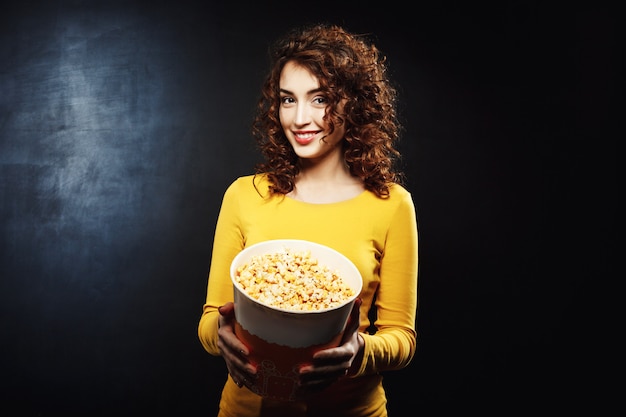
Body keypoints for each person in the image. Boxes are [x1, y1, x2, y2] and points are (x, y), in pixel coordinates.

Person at [198, 23, 419, 417]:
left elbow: (401, 339)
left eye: (320, 99)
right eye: (288, 100)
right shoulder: (244, 196)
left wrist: (359, 352)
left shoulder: (392, 206)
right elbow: (212, 317)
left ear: (355, 103)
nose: (300, 118)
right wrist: (219, 334)